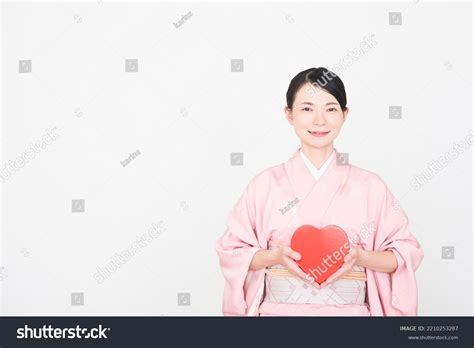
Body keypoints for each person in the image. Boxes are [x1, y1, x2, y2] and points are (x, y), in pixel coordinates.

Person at [215, 67, 424, 316]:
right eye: (306, 108)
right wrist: (276, 257)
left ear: (344, 115)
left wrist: (360, 257)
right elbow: (232, 253)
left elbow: (406, 253)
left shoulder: (371, 186)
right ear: (289, 114)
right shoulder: (264, 184)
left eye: (331, 108)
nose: (319, 120)